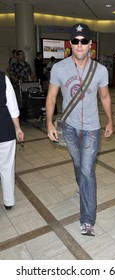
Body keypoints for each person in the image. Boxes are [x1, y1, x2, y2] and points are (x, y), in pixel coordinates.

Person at [46, 23, 113, 236]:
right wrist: (49, 122)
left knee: (87, 170)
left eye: (84, 41)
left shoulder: (100, 70)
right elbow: (51, 97)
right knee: (78, 163)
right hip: (70, 127)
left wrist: (110, 121)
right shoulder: (59, 68)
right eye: (75, 41)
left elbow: (104, 96)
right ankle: (81, 185)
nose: (80, 45)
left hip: (92, 128)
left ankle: (87, 220)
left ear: (90, 44)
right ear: (70, 44)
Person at [0, 71, 24, 210]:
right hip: (4, 128)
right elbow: (13, 107)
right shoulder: (3, 78)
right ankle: (8, 201)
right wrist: (18, 129)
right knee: (7, 166)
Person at [9, 50, 36, 120]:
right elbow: (11, 75)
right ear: (18, 56)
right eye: (21, 55)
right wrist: (17, 80)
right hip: (17, 86)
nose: (23, 56)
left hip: (26, 86)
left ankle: (26, 115)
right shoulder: (14, 64)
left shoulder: (27, 64)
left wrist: (33, 77)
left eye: (23, 54)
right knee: (19, 101)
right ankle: (18, 117)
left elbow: (31, 73)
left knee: (27, 100)